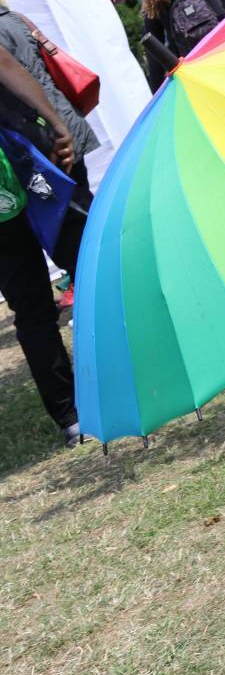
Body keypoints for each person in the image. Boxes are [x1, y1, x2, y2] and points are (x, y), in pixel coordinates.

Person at [0, 40, 95, 447]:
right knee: (87, 266)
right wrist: (56, 122)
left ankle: (70, 415)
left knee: (31, 305)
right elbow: (5, 64)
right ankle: (120, 375)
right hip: (21, 165)